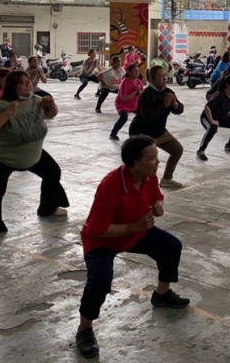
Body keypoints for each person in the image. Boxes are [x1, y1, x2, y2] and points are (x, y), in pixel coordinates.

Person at [75, 135, 190, 359]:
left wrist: (158, 205)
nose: (158, 162)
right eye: (153, 158)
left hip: (135, 232)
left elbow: (157, 196)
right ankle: (85, 329)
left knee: (170, 246)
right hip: (102, 241)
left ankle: (162, 294)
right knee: (99, 281)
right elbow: (96, 230)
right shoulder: (111, 185)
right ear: (135, 163)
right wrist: (135, 226)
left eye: (157, 156)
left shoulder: (149, 176)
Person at [0, 71, 69, 239]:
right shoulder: (2, 105)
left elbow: (51, 115)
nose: (28, 84)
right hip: (1, 155)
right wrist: (8, 112)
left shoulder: (37, 101)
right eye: (22, 82)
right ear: (13, 87)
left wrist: (51, 104)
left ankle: (48, 207)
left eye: (28, 81)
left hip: (31, 152)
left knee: (52, 172)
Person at [129, 65, 184, 188]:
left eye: (165, 75)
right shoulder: (146, 95)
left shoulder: (168, 92)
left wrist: (175, 105)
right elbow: (149, 118)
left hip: (159, 131)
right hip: (143, 132)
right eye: (160, 76)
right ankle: (135, 183)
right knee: (145, 161)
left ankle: (167, 178)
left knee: (177, 150)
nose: (164, 78)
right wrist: (164, 105)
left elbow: (180, 109)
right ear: (152, 79)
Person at [196, 74, 230, 161]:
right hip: (207, 117)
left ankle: (229, 145)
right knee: (213, 128)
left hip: (221, 117)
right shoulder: (220, 95)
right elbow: (207, 107)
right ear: (227, 84)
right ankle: (201, 150)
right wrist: (211, 120)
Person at [110, 63, 144, 141]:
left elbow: (142, 94)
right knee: (124, 117)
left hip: (134, 104)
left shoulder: (139, 82)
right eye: (135, 71)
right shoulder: (124, 82)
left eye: (138, 71)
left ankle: (139, 133)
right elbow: (124, 99)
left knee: (143, 116)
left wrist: (139, 92)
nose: (137, 72)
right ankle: (113, 133)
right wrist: (135, 91)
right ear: (128, 72)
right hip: (122, 105)